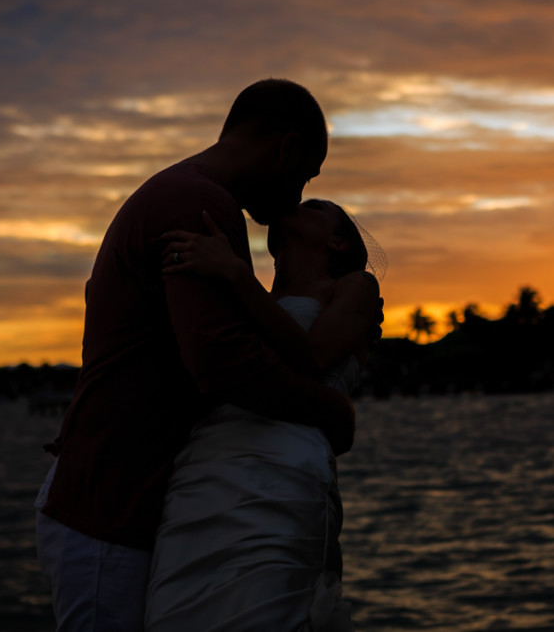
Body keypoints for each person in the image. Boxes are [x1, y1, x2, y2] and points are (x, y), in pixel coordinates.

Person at [34, 79, 373, 631]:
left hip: (132, 498)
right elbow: (222, 362)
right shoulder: (198, 203)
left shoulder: (191, 199)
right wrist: (333, 413)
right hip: (110, 506)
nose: (299, 193)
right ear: (286, 149)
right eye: (306, 174)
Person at [143, 198, 381, 631]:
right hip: (204, 468)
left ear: (337, 240)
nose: (300, 203)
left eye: (316, 207)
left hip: (285, 470)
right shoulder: (242, 297)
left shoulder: (353, 287)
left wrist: (234, 273)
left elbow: (315, 354)